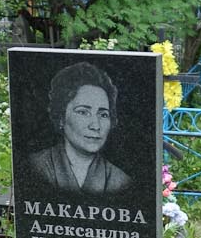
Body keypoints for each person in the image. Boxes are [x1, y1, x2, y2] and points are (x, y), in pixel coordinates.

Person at [28, 62, 133, 195]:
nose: (95, 126)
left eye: (103, 114)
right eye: (83, 112)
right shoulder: (35, 166)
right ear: (61, 117)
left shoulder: (120, 181)